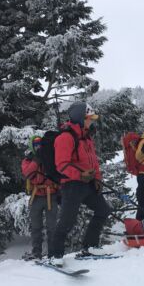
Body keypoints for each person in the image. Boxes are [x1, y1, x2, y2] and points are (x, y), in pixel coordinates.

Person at [50, 101, 112, 266]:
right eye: (89, 118)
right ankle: (54, 255)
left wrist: (97, 178)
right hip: (72, 185)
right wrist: (80, 175)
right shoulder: (66, 137)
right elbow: (62, 164)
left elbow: (93, 162)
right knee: (67, 221)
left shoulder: (86, 137)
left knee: (103, 210)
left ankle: (89, 246)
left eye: (92, 118)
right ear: (79, 118)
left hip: (88, 184)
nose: (91, 121)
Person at [21, 135, 59, 260]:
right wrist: (36, 161)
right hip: (36, 196)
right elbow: (28, 174)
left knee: (52, 226)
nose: (39, 148)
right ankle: (36, 252)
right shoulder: (28, 160)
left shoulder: (50, 158)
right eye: (36, 145)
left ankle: (53, 253)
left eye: (40, 145)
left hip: (51, 195)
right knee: (36, 226)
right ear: (32, 146)